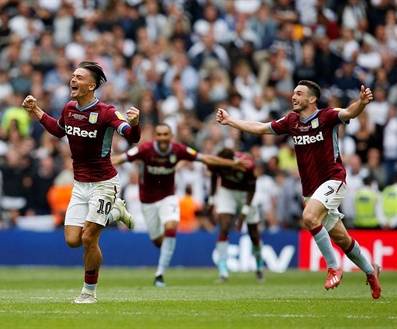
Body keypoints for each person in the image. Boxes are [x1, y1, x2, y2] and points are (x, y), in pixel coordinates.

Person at [216, 80, 382, 299]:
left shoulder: (327, 116)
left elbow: (350, 112)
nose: (293, 97)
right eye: (293, 93)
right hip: (311, 191)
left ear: (311, 99)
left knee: (309, 217)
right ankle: (371, 272)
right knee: (342, 239)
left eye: (299, 93)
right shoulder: (291, 121)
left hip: (333, 180)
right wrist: (230, 121)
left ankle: (333, 267)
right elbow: (260, 128)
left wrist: (361, 103)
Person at [22, 61, 140, 304]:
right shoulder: (70, 108)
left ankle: (89, 292)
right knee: (73, 240)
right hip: (80, 185)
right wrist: (35, 111)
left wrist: (136, 123)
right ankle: (115, 212)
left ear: (91, 86)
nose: (73, 80)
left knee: (88, 239)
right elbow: (58, 130)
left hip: (104, 183)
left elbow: (131, 136)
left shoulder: (106, 112)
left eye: (79, 77)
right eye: (73, 76)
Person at [112, 123, 247, 287]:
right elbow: (119, 159)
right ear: (155, 136)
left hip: (168, 197)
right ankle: (162, 247)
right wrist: (94, 165)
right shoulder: (145, 149)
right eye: (159, 134)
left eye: (165, 134)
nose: (162, 138)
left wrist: (232, 164)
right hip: (147, 201)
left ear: (171, 136)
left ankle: (159, 274)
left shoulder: (178, 150)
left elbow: (205, 158)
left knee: (171, 228)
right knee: (158, 242)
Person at [207, 147, 264, 283]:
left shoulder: (247, 165)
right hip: (228, 192)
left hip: (247, 194)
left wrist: (243, 213)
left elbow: (252, 188)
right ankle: (223, 271)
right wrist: (211, 199)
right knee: (224, 228)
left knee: (253, 233)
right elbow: (214, 178)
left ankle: (259, 266)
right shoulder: (216, 162)